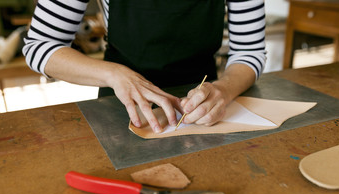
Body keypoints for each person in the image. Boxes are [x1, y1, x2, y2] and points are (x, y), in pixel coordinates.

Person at [23, 0, 266, 133]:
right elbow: (39, 46)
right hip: (119, 105)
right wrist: (114, 74)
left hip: (203, 108)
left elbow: (250, 50)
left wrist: (224, 90)